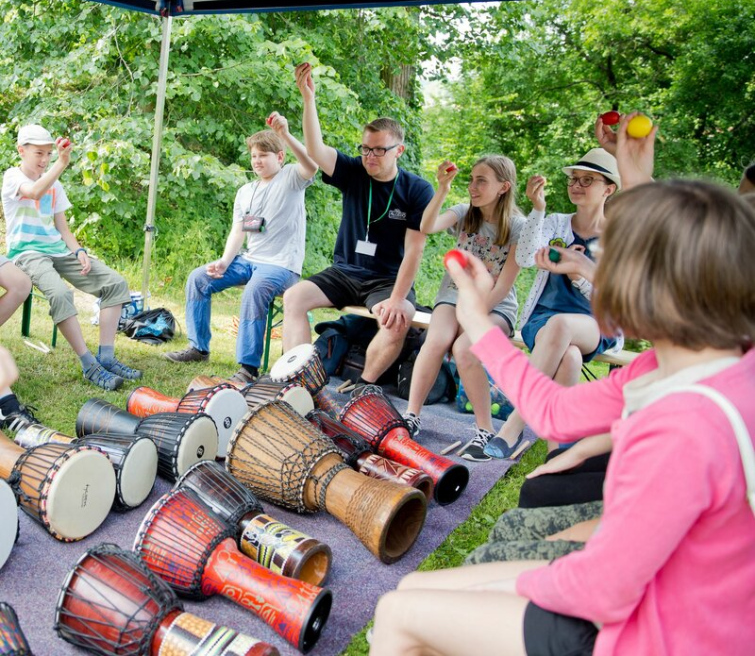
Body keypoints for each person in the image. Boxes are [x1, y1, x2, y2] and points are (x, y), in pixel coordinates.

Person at [370, 178, 755, 656]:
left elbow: (603, 589)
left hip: (651, 633)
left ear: (655, 285)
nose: (597, 276)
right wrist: (474, 318)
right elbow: (553, 412)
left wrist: (504, 586)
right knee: (412, 595)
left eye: (610, 262)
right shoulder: (705, 363)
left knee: (396, 613)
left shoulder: (685, 427)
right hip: (660, 594)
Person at [282, 62, 433, 390]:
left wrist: (396, 298)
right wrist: (309, 99)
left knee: (398, 320)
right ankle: (299, 383)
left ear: (399, 151)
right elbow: (316, 150)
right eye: (366, 148)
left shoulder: (417, 190)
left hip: (386, 280)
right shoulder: (353, 172)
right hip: (344, 272)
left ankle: (360, 388)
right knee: (294, 297)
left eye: (379, 149)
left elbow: (415, 252)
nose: (370, 156)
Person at [485, 148, 622, 459]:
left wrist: (577, 274)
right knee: (570, 358)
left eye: (588, 180)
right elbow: (523, 257)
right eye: (574, 179)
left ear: (608, 189)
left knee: (563, 327)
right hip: (543, 320)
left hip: (597, 322)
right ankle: (558, 449)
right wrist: (537, 209)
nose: (576, 185)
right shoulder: (556, 223)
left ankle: (513, 425)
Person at [166, 115, 318, 384]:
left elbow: (312, 164)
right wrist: (225, 261)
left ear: (280, 156)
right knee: (198, 278)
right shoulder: (245, 191)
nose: (257, 161)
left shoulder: (292, 178)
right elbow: (239, 230)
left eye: (263, 155)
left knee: (255, 290)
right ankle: (198, 348)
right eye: (253, 156)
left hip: (281, 265)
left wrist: (285, 133)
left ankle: (248, 367)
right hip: (248, 260)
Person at [403, 156, 524, 460]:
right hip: (453, 295)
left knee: (466, 349)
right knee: (437, 339)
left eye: (481, 180)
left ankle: (485, 430)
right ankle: (411, 416)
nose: (472, 186)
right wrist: (442, 188)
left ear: (503, 187)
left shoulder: (519, 228)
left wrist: (470, 317)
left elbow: (503, 286)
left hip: (494, 305)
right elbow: (427, 225)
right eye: (471, 179)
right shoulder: (463, 213)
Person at [2, 125, 139, 391]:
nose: (44, 160)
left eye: (48, 154)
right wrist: (61, 164)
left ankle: (107, 358)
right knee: (61, 294)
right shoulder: (12, 177)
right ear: (21, 151)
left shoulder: (55, 183)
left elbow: (63, 228)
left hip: (58, 250)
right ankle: (89, 365)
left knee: (115, 283)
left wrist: (79, 251)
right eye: (38, 154)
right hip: (27, 253)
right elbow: (34, 192)